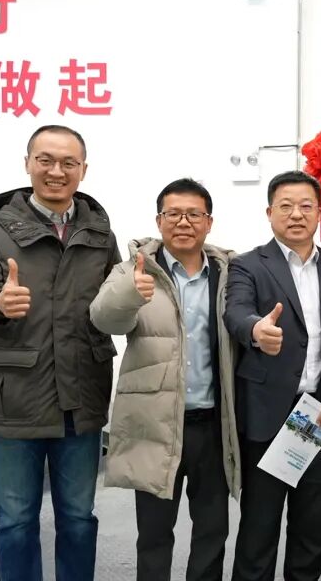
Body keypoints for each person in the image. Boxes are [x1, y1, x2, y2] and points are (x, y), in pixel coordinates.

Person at [0, 124, 120, 581]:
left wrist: (132, 296)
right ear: (27, 164)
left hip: (80, 400)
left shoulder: (100, 235)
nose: (56, 171)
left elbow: (110, 306)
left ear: (84, 170)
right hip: (16, 400)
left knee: (79, 519)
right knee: (15, 523)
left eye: (69, 162)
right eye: (45, 160)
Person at [89, 178, 240, 581]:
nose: (183, 222)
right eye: (173, 214)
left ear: (209, 222)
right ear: (159, 220)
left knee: (213, 530)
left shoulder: (230, 272)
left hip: (213, 426)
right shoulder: (134, 269)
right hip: (155, 425)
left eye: (193, 214)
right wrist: (129, 294)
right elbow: (103, 318)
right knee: (155, 534)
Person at [225, 171, 321, 581]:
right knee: (259, 525)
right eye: (285, 206)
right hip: (266, 411)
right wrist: (256, 330)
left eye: (306, 206)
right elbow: (237, 311)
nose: (296, 214)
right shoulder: (248, 265)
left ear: (319, 213)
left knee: (311, 524)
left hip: (319, 412)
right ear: (269, 212)